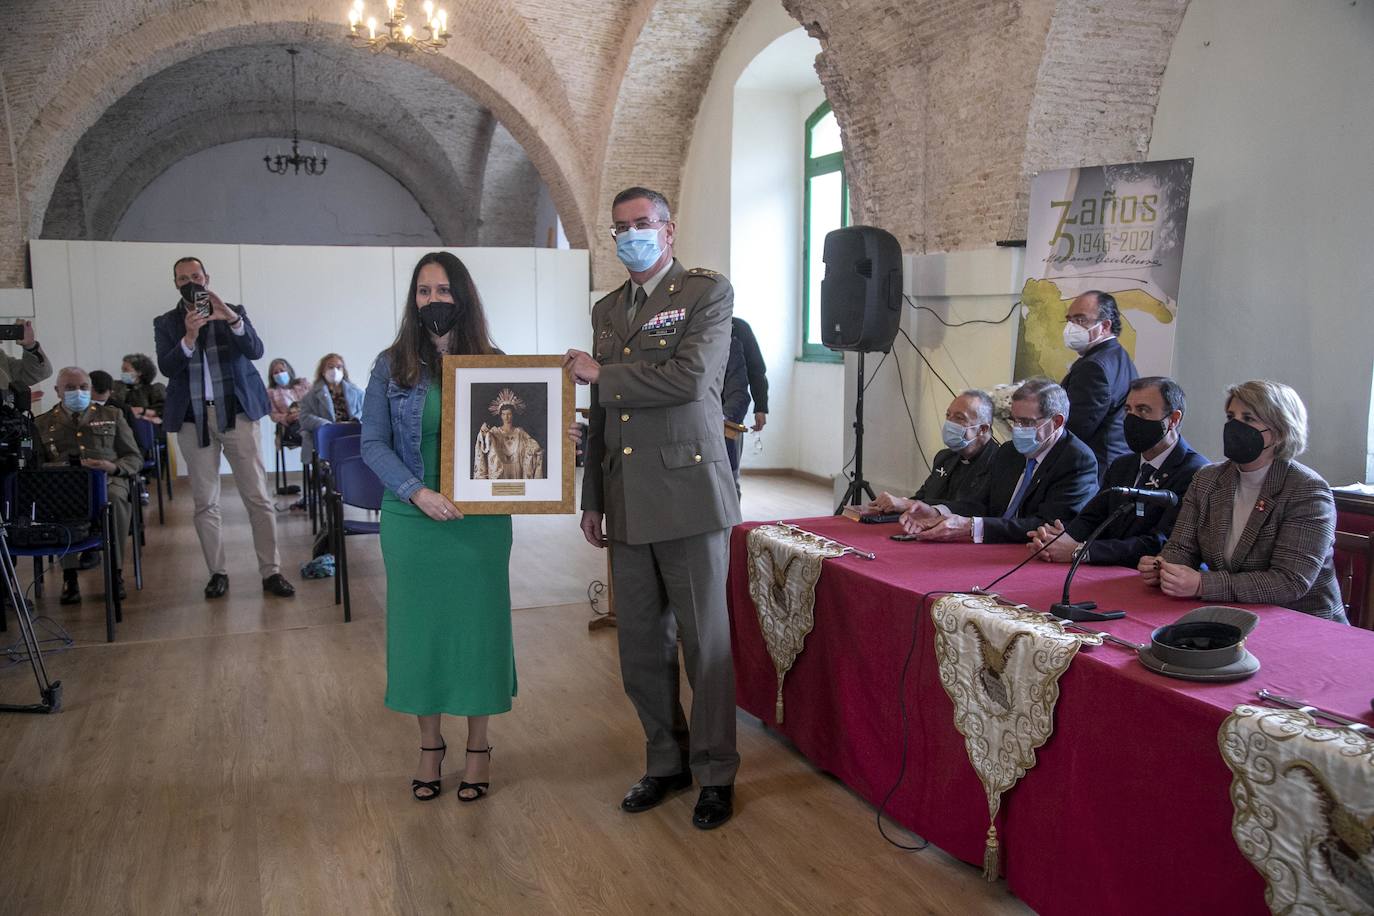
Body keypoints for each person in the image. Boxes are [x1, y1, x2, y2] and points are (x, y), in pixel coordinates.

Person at [564, 186, 741, 830]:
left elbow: (692, 380)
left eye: (642, 224)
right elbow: (603, 413)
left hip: (689, 494)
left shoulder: (705, 294)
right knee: (640, 644)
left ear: (668, 230)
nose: (631, 235)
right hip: (627, 497)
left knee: (705, 643)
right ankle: (666, 760)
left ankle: (717, 770)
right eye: (620, 228)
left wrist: (599, 375)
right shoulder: (609, 309)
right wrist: (592, 495)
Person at [361, 251, 515, 802]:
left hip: (481, 524)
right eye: (424, 292)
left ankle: (479, 747)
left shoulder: (496, 362)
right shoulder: (391, 364)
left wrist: (553, 443)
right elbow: (372, 443)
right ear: (414, 300)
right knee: (418, 634)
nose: (434, 301)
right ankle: (430, 746)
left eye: (443, 290)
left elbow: (518, 435)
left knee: (478, 632)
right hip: (412, 518)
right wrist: (416, 492)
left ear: (463, 296)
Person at [1139, 380, 1346, 622]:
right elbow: (1182, 548)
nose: (1235, 426)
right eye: (1231, 417)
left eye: (1248, 419)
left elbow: (1289, 582)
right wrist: (1164, 568)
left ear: (1280, 432)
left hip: (1302, 622)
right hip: (1231, 615)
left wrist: (1202, 585)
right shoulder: (1207, 478)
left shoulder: (1307, 490)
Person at [153, 255, 295, 599]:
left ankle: (271, 572)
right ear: (175, 284)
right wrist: (188, 336)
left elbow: (256, 350)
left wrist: (230, 318)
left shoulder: (231, 310)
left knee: (258, 496)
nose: (191, 282)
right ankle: (217, 572)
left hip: (238, 416)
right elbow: (168, 367)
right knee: (205, 501)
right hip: (192, 419)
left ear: (206, 277)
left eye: (196, 275)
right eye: (183, 278)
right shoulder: (166, 322)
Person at [1029, 376, 1208, 567]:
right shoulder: (1122, 465)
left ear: (1173, 419)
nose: (1132, 418)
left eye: (1143, 410)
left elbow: (1162, 542)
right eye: (1128, 410)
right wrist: (1058, 539)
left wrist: (1081, 551)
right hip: (1105, 571)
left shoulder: (1195, 472)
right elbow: (1093, 517)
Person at [899, 378, 1097, 543]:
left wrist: (973, 527)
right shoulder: (1009, 451)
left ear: (1056, 422)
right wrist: (935, 511)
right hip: (992, 546)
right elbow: (980, 504)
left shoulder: (1077, 461)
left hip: (1032, 555)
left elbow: (1046, 525)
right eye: (1015, 420)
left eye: (1026, 422)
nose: (1017, 429)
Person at [36, 367, 142, 604]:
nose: (78, 392)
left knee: (114, 499)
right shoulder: (43, 423)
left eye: (83, 387)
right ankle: (70, 576)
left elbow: (134, 457)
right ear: (57, 391)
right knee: (63, 503)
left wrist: (111, 466)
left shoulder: (112, 415)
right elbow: (37, 466)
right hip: (65, 484)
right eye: (70, 388)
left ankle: (115, 574)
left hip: (108, 480)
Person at [872, 389, 998, 514]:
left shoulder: (999, 464)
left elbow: (974, 508)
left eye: (959, 418)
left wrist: (910, 504)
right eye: (948, 415)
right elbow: (923, 498)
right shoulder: (944, 458)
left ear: (982, 429)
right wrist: (895, 504)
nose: (949, 422)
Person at [1061, 290, 1138, 479]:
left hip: (1094, 468)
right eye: (1069, 320)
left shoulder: (1094, 367)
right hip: (1109, 463)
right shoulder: (1116, 355)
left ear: (1104, 326)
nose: (1071, 327)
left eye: (1080, 320)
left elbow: (1077, 427)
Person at [721, 317, 768, 489]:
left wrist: (761, 406)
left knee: (729, 478)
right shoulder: (692, 325)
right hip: (695, 415)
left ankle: (731, 514)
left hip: (729, 414)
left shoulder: (739, 328)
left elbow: (756, 370)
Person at [473, 388, 544, 479]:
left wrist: (536, 449)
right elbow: (484, 442)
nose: (506, 417)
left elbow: (532, 445)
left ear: (513, 415)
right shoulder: (495, 432)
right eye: (504, 414)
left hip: (517, 468)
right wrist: (483, 432)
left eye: (509, 414)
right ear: (501, 415)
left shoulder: (520, 432)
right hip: (500, 470)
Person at [299, 353, 364, 432]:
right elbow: (304, 418)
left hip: (353, 433)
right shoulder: (311, 395)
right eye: (330, 367)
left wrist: (355, 420)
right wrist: (325, 425)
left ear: (343, 371)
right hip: (325, 435)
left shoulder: (357, 393)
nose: (335, 370)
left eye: (339, 367)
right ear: (323, 371)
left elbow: (367, 411)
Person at [266, 358, 311, 445]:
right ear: (272, 376)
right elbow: (273, 415)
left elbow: (315, 399)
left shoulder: (303, 384)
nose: (280, 374)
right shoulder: (271, 393)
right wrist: (286, 418)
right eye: (276, 372)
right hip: (292, 424)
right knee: (308, 434)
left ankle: (315, 456)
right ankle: (311, 456)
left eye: (282, 370)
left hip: (309, 418)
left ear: (289, 371)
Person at [118, 353, 166, 419]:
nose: (123, 373)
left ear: (139, 372)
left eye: (126, 370)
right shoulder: (120, 387)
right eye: (122, 370)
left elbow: (164, 410)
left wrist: (142, 411)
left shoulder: (153, 389)